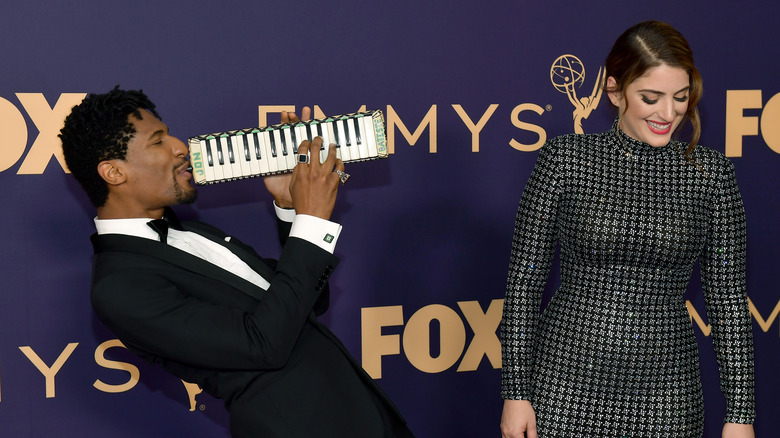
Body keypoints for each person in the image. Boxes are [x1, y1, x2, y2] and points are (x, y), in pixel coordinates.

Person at [59, 87, 415, 438]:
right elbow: (265, 344)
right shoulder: (118, 286)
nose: (180, 146)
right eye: (158, 141)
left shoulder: (196, 233)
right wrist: (313, 218)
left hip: (365, 416)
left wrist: (290, 206)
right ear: (114, 172)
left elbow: (304, 305)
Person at [499, 21, 755, 438]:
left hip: (667, 391)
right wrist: (515, 392)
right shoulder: (566, 161)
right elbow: (525, 282)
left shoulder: (711, 175)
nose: (669, 113)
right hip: (563, 382)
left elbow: (727, 302)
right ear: (615, 92)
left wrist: (740, 415)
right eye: (650, 98)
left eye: (680, 97)